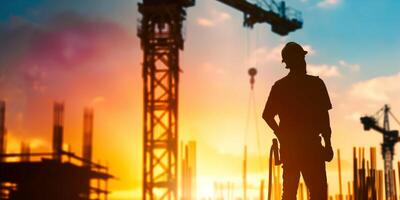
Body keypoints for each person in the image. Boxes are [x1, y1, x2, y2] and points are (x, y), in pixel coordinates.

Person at [262, 42, 333, 200]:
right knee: (318, 194)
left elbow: (267, 115)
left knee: (289, 194)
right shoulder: (316, 84)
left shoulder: (280, 87)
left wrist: (282, 136)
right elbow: (324, 118)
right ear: (300, 60)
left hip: (292, 149)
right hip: (311, 148)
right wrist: (328, 144)